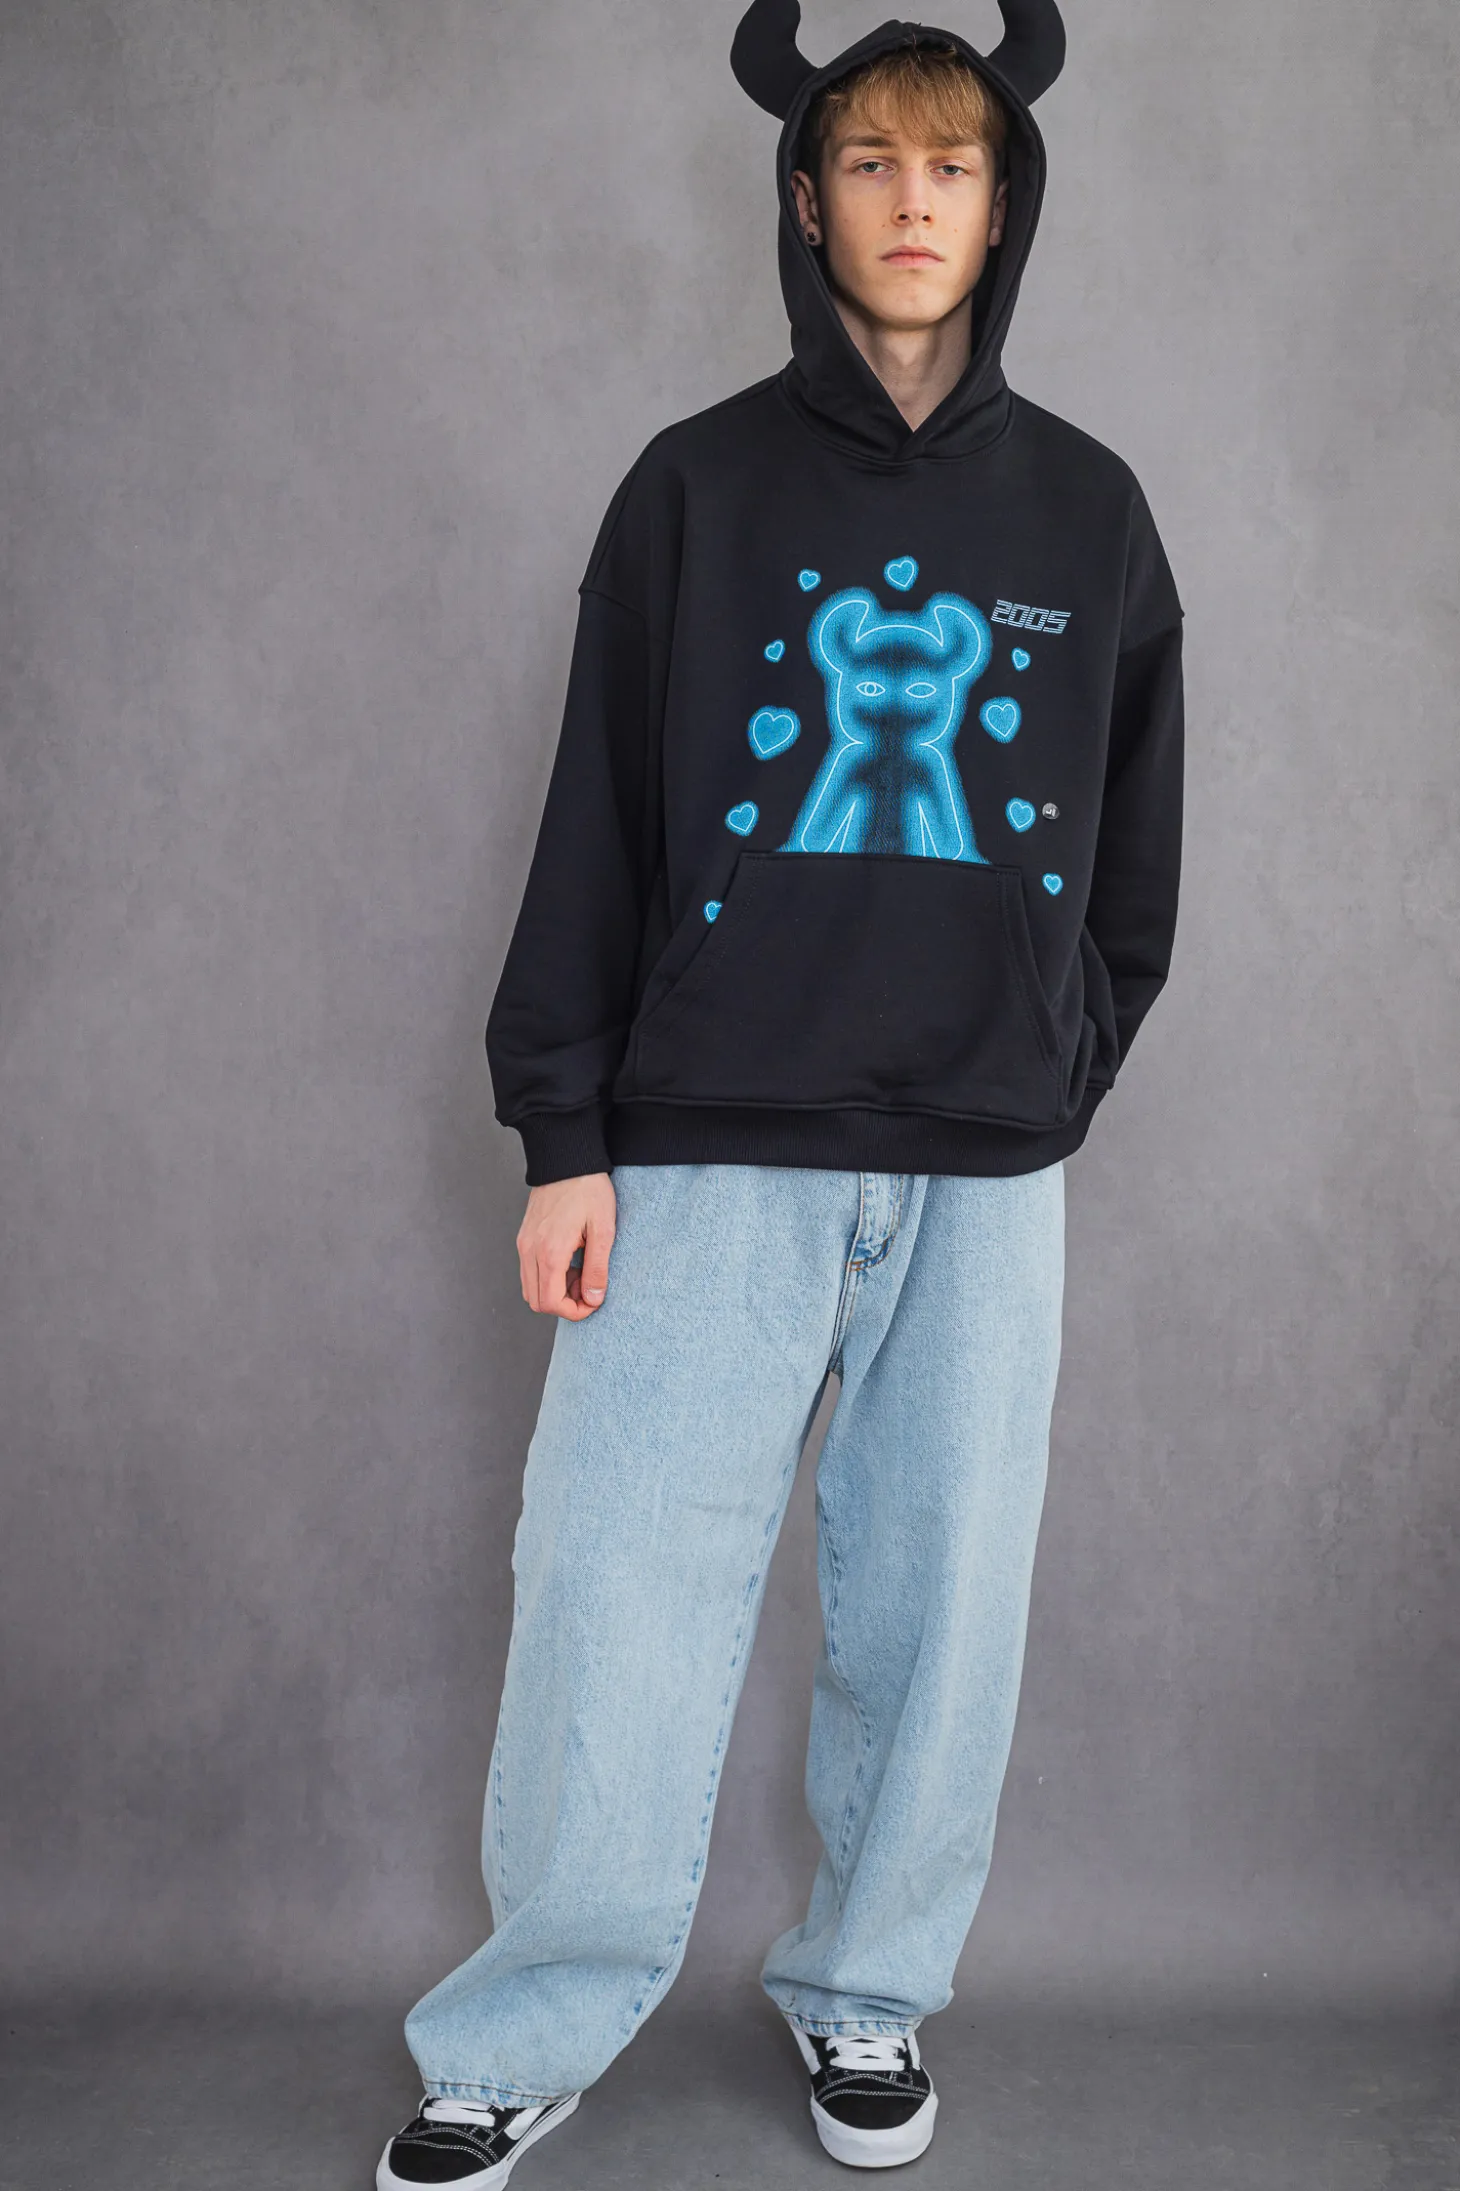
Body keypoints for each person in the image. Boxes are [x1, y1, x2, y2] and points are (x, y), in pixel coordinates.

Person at [378, 0, 1183, 2181]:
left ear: (1006, 205)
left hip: (983, 1171)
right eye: (871, 162)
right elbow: (597, 822)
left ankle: (867, 1993)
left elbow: (1134, 851)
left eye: (954, 165)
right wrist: (564, 1132)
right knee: (615, 1592)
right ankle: (525, 2024)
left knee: (942, 1612)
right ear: (804, 200)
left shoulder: (1091, 512)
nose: (914, 201)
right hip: (704, 1147)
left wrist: (1055, 1062)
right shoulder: (694, 488)